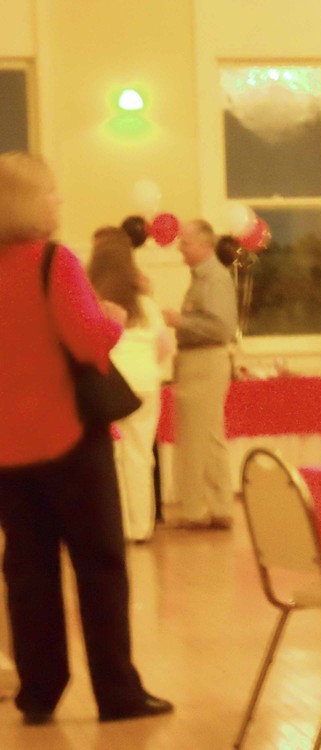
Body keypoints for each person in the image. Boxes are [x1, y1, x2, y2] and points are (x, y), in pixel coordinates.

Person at [0, 151, 172, 723]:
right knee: (100, 570)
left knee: (28, 576)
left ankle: (39, 692)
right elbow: (87, 341)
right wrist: (112, 321)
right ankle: (117, 692)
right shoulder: (53, 261)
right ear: (30, 202)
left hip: (8, 449)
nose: (59, 200)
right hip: (69, 438)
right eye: (51, 192)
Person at [87, 227, 173, 542]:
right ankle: (142, 527)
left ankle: (118, 525)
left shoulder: (93, 302)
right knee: (141, 456)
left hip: (111, 386)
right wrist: (149, 368)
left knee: (113, 456)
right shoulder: (146, 304)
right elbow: (164, 347)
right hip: (146, 385)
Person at [162, 219, 238, 530]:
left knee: (198, 438)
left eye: (186, 243)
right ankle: (217, 508)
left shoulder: (214, 279)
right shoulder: (202, 278)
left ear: (205, 245)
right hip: (196, 361)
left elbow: (222, 327)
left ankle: (198, 511)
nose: (180, 248)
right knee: (205, 436)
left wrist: (180, 322)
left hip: (204, 361)